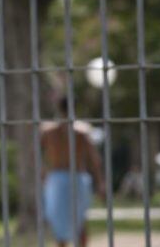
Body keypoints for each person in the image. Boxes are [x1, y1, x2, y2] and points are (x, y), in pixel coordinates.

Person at [41, 97, 105, 247]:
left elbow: (37, 155)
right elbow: (94, 159)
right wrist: (100, 181)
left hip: (57, 178)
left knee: (59, 220)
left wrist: (42, 172)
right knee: (79, 219)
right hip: (77, 177)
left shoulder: (47, 130)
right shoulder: (82, 130)